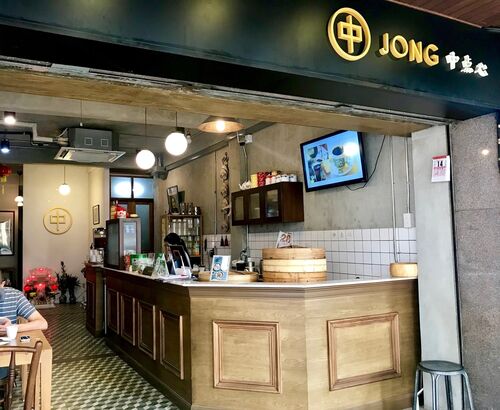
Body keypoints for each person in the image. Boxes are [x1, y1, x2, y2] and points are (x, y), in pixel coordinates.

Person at [0, 281, 48, 384]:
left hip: (5, 355)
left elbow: (43, 323)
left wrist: (13, 327)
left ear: (2, 284)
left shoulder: (14, 296)